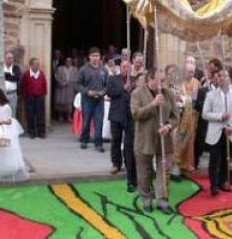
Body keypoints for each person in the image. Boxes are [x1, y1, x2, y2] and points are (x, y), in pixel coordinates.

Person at [131, 68, 179, 213]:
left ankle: (162, 200)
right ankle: (146, 199)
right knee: (144, 172)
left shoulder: (168, 93)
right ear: (149, 79)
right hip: (144, 139)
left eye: (162, 80)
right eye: (157, 79)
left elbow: (175, 116)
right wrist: (152, 104)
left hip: (164, 139)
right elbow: (136, 114)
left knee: (163, 170)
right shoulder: (137, 93)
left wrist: (168, 126)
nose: (160, 83)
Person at [202, 70, 232, 196]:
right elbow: (205, 114)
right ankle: (213, 185)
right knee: (214, 159)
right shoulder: (211, 95)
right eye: (220, 76)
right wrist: (220, 116)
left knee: (227, 158)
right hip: (216, 131)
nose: (222, 78)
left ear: (229, 79)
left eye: (225, 76)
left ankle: (223, 181)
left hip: (229, 131)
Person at [106, 60, 137, 193]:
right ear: (120, 68)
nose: (126, 69)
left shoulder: (135, 80)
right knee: (116, 140)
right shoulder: (113, 79)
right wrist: (123, 89)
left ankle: (128, 165)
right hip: (116, 114)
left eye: (128, 67)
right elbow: (109, 92)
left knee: (129, 144)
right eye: (124, 67)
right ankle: (116, 163)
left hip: (130, 116)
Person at [75, 47, 108, 151]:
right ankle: (84, 140)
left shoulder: (104, 70)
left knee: (99, 121)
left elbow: (108, 85)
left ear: (100, 57)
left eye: (97, 56)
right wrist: (87, 92)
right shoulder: (83, 69)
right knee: (86, 121)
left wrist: (104, 92)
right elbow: (77, 84)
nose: (95, 58)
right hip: (87, 99)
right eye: (93, 56)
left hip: (99, 99)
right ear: (89, 57)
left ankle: (98, 143)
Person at [20, 58, 48, 138]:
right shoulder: (26, 74)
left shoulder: (41, 74)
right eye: (35, 64)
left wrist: (43, 94)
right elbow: (23, 86)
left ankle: (41, 132)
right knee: (30, 115)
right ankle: (31, 131)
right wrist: (25, 96)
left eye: (38, 64)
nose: (37, 65)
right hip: (30, 97)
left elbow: (44, 85)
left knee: (40, 115)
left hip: (40, 96)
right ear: (31, 65)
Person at [54, 57, 78, 122]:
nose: (68, 62)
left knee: (69, 103)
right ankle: (60, 116)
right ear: (65, 62)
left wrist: (72, 83)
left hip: (70, 88)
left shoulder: (75, 69)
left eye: (70, 61)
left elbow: (77, 78)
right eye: (67, 61)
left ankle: (69, 117)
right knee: (60, 102)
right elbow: (56, 77)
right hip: (61, 88)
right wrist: (62, 83)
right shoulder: (60, 69)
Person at [3, 51, 21, 117]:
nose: (11, 60)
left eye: (12, 58)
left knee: (12, 113)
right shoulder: (1, 67)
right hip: (2, 94)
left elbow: (17, 78)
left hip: (12, 94)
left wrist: (5, 75)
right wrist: (10, 76)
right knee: (3, 114)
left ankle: (13, 127)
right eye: (9, 58)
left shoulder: (16, 68)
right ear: (5, 59)